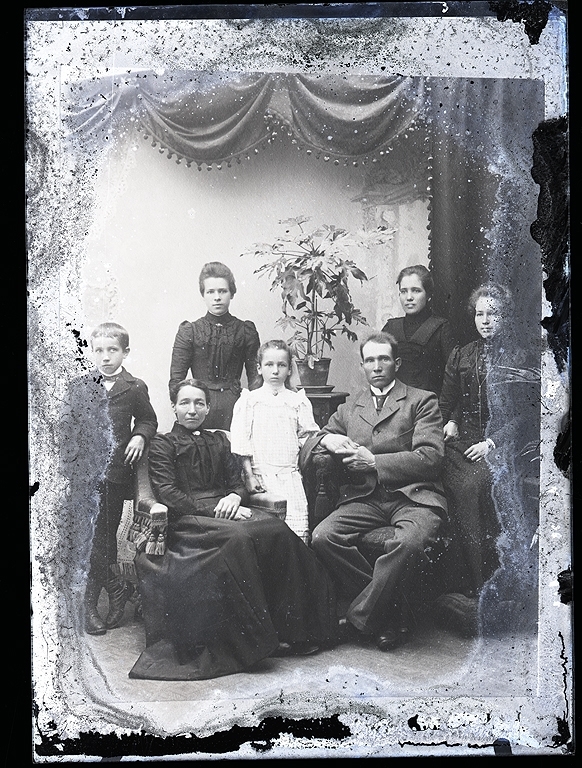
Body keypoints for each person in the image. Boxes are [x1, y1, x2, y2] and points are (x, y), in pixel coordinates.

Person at [129, 379, 337, 681]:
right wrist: (216, 508)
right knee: (239, 537)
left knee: (275, 529)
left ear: (208, 407)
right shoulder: (163, 444)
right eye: (185, 403)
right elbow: (168, 493)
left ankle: (298, 630)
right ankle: (255, 641)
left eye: (199, 403)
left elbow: (236, 483)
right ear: (174, 407)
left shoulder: (219, 441)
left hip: (228, 509)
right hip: (188, 518)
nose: (192, 410)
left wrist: (235, 497)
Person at [309, 332, 447, 652]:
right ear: (362, 366)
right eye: (370, 360)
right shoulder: (349, 407)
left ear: (396, 363)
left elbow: (431, 457)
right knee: (323, 537)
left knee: (409, 543)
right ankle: (389, 612)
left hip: (413, 497)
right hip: (366, 498)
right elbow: (319, 438)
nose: (377, 366)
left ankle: (361, 617)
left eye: (383, 358)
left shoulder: (421, 400)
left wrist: (374, 461)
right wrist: (327, 439)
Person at [437, 283, 541, 618]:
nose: (485, 320)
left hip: (505, 445)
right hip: (464, 443)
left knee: (473, 486)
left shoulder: (521, 357)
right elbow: (447, 401)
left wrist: (492, 443)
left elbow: (527, 414)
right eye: (480, 314)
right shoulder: (461, 354)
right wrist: (450, 421)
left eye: (492, 313)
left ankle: (484, 581)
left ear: (505, 317)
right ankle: (461, 579)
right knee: (447, 481)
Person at [60, 322, 158, 635]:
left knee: (103, 536)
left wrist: (140, 435)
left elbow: (148, 419)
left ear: (125, 352)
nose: (105, 357)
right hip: (83, 476)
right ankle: (112, 590)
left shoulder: (135, 386)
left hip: (115, 474)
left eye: (112, 350)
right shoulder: (79, 386)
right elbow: (66, 426)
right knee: (89, 537)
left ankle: (92, 604)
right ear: (92, 352)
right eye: (99, 350)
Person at [230, 340, 319, 544]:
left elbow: (308, 439)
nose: (275, 370)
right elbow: (241, 441)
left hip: (290, 478)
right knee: (267, 537)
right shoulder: (249, 400)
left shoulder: (298, 401)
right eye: (269, 364)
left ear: (289, 369)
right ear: (259, 368)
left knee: (297, 535)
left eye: (282, 365)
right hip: (260, 479)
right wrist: (249, 476)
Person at [169, 261, 261, 429]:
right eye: (210, 292)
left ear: (231, 293)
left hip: (235, 407)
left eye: (222, 291)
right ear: (203, 294)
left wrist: (252, 410)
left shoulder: (245, 330)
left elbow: (255, 378)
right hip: (199, 407)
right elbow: (176, 380)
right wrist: (186, 412)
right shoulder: (190, 331)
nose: (217, 297)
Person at [382, 264, 455, 395]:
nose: (409, 297)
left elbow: (452, 376)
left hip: (430, 404)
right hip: (395, 403)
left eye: (416, 290)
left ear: (428, 295)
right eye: (403, 291)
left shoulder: (441, 328)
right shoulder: (390, 328)